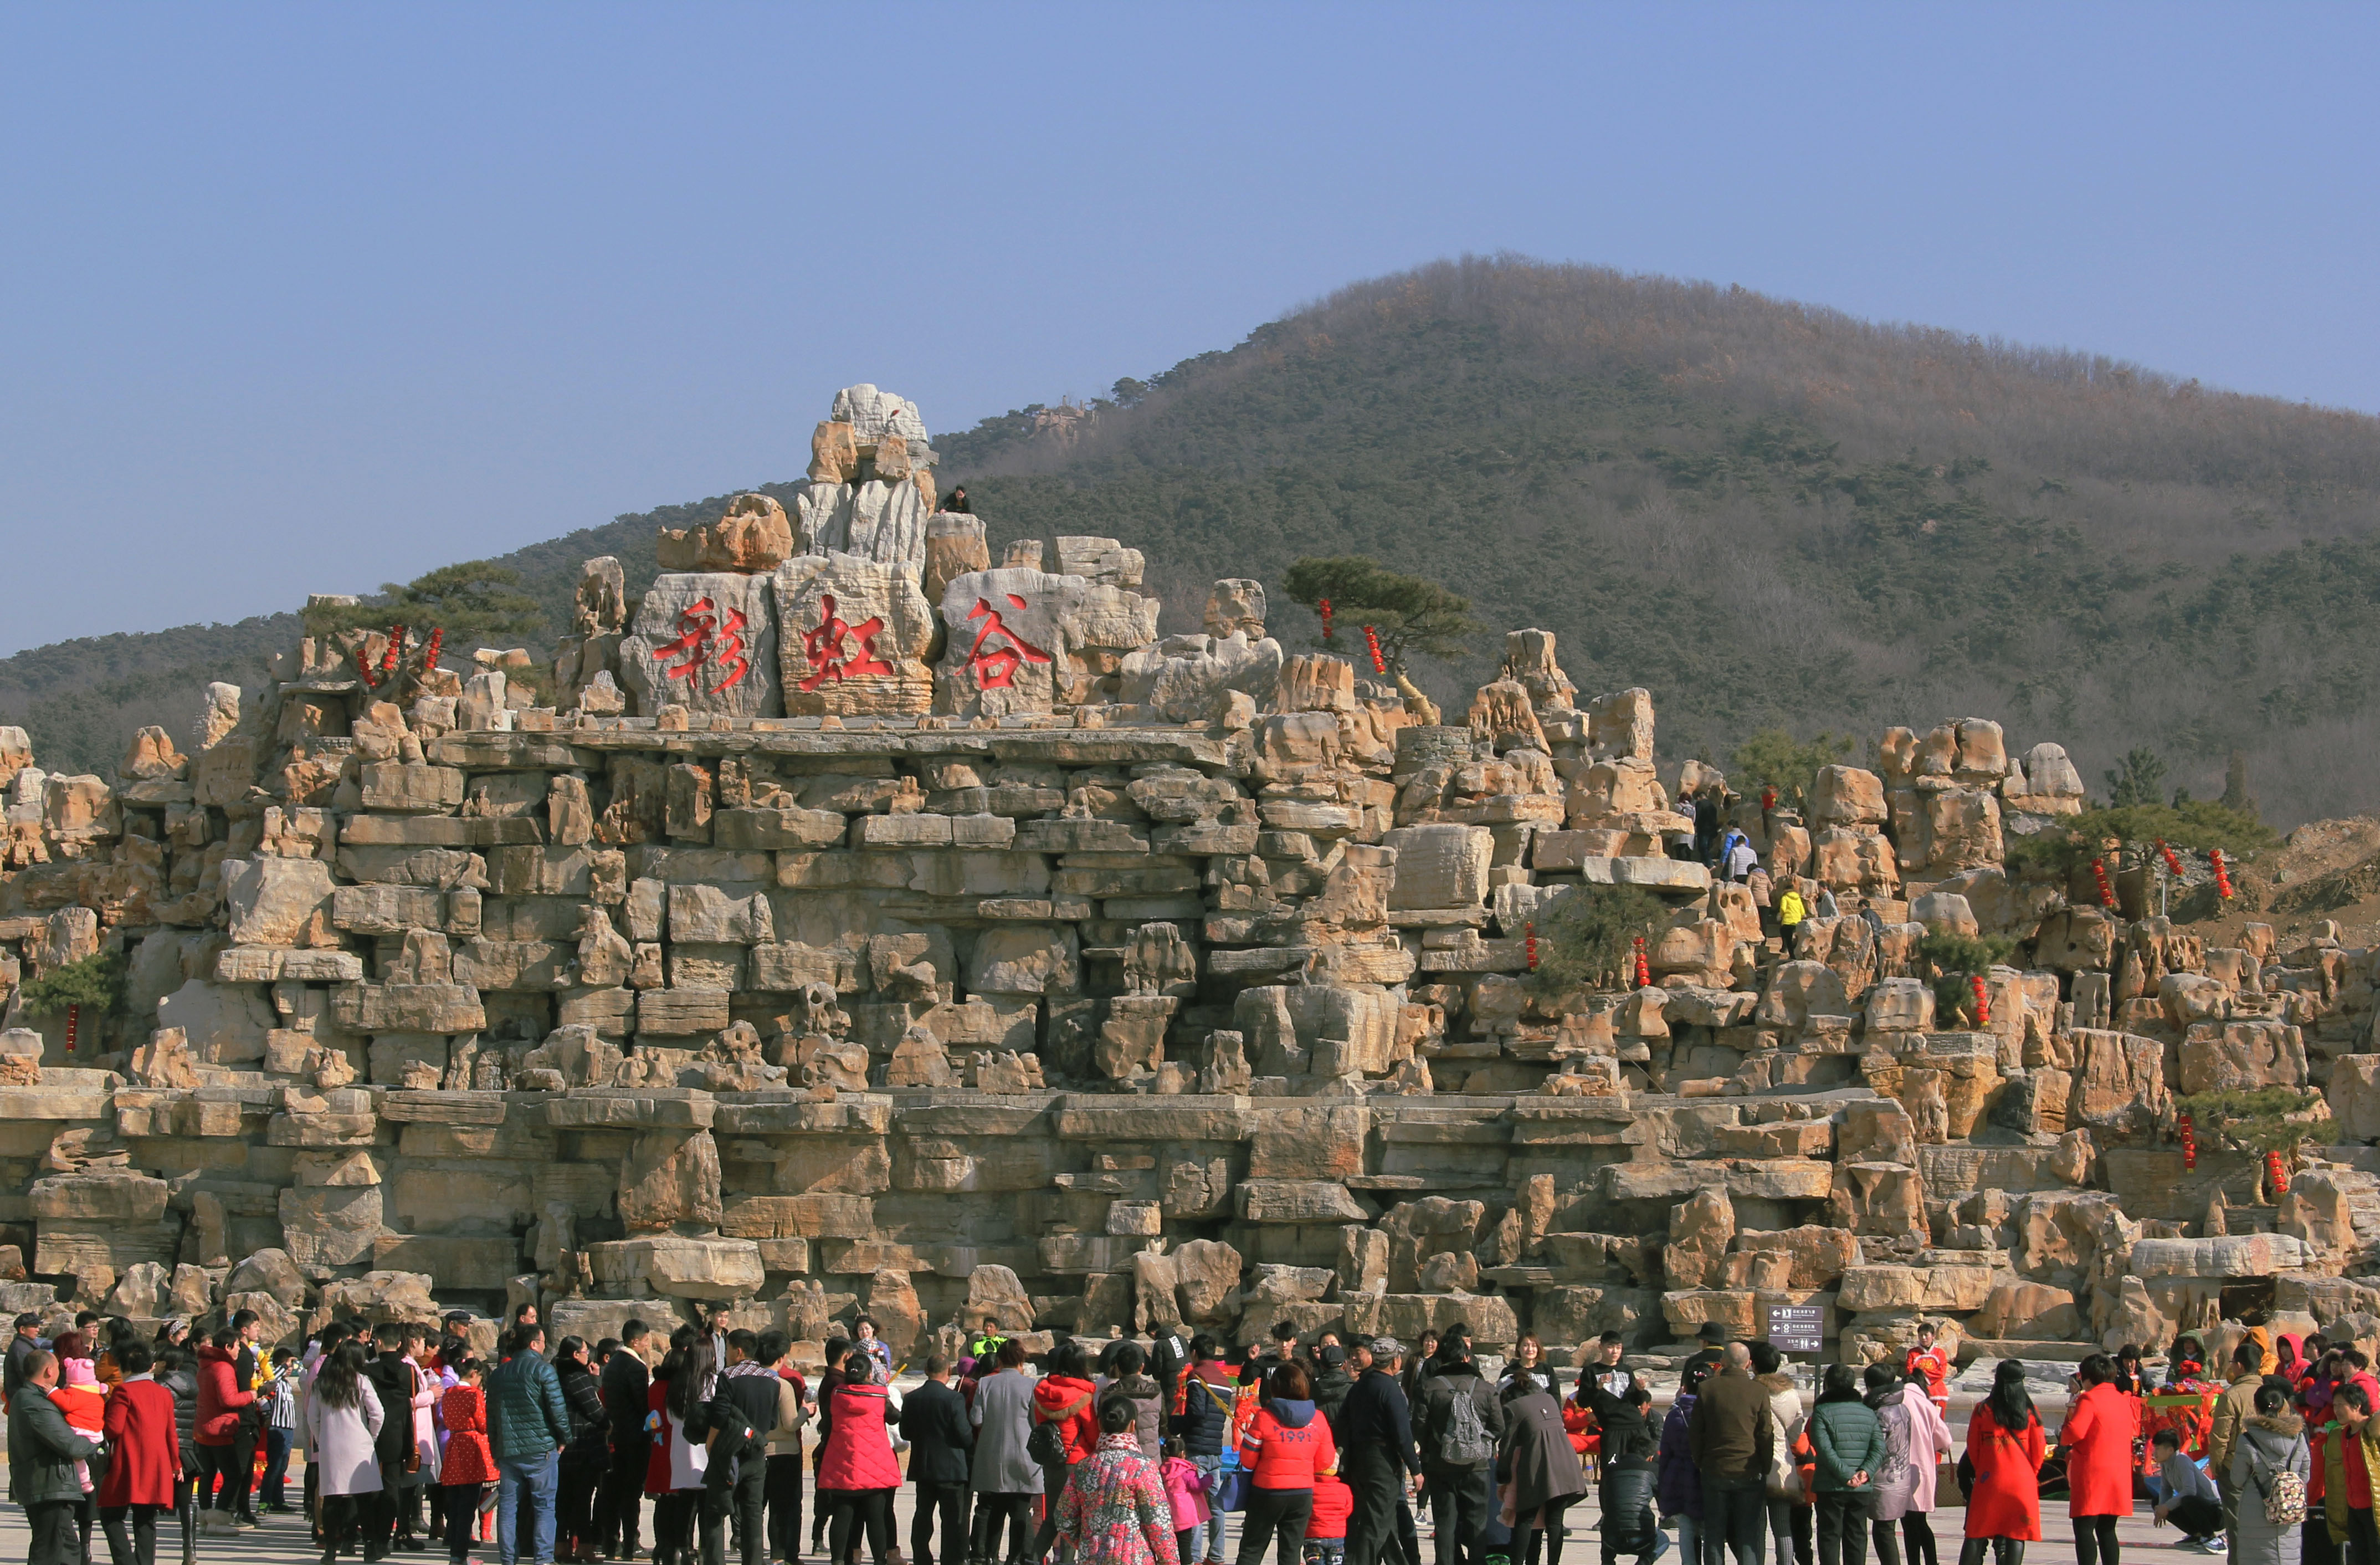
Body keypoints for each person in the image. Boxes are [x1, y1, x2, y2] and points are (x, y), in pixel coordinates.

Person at [1053, 1395, 1180, 1565]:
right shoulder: (1143, 1467)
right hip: (1134, 1558)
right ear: (1133, 1425)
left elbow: (1064, 1518)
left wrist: (1087, 1542)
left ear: (1099, 1425)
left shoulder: (1083, 1467)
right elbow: (1159, 1522)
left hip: (1092, 1557)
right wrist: (1170, 1561)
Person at [488, 1323, 574, 1565]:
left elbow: (491, 1415)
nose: (545, 1346)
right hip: (541, 1449)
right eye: (543, 1341)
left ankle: (507, 1559)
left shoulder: (498, 1375)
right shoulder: (544, 1371)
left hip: (509, 1450)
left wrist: (496, 1448)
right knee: (544, 1507)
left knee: (507, 1508)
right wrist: (564, 1438)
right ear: (534, 1344)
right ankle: (543, 1560)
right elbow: (557, 1410)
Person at [1238, 1362, 1337, 1565]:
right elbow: (1326, 1461)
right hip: (1302, 1494)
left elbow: (1247, 1459)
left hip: (1267, 1493)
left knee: (1252, 1549)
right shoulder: (1318, 1419)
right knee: (1291, 1552)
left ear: (1275, 1388)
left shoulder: (1264, 1417)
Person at [1413, 1339, 1501, 1565]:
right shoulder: (1486, 1388)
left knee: (1444, 1525)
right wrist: (1480, 1444)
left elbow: (1419, 1425)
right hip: (1478, 1466)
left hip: (1441, 1465)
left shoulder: (1430, 1387)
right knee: (1477, 1525)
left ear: (1441, 1360)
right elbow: (1499, 1426)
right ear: (1467, 1358)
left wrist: (1434, 1448)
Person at [11, 1349, 100, 1565]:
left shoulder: (29, 1398)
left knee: (65, 1549)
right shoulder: (35, 1403)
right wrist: (95, 1443)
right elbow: (70, 1445)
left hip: (47, 1484)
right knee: (52, 1549)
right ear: (49, 1371)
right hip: (49, 1486)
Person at [1689, 1344, 1773, 1565]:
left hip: (1715, 1469)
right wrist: (1765, 1466)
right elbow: (1765, 1434)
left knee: (1714, 1535)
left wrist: (1700, 1461)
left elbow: (1696, 1432)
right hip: (1749, 1470)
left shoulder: (1707, 1389)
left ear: (1723, 1362)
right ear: (1748, 1363)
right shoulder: (1759, 1391)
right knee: (1748, 1536)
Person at [1337, 1339, 1418, 1565]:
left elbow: (1342, 1423)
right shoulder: (1391, 1389)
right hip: (1383, 1463)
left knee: (1382, 1521)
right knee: (1376, 1525)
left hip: (1358, 1462)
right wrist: (1417, 1469)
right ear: (1395, 1361)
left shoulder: (1359, 1386)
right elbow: (1403, 1435)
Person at [817, 1347, 900, 1565]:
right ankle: (880, 1560)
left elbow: (825, 1424)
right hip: (875, 1464)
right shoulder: (880, 1398)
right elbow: (895, 1418)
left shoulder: (837, 1396)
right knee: (876, 1518)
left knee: (842, 1516)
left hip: (842, 1461)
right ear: (869, 1374)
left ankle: (838, 1560)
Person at [310, 1342, 389, 1565]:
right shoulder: (361, 1381)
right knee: (365, 1499)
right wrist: (370, 1437)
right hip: (359, 1446)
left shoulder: (321, 1384)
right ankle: (370, 1548)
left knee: (333, 1498)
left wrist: (322, 1438)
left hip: (331, 1446)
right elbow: (378, 1413)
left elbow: (312, 1418)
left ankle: (330, 1550)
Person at [1863, 1364, 1950, 1565]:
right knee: (1918, 1523)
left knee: (1894, 1526)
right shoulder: (1924, 1404)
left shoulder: (1889, 1404)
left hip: (1891, 1471)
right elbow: (1945, 1441)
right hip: (1919, 1469)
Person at [1496, 1372, 1586, 1565]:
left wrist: (1502, 1472)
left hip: (1538, 1466)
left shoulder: (1513, 1407)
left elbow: (1507, 1444)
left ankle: (1517, 1563)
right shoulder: (1549, 1399)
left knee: (1526, 1518)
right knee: (1555, 1521)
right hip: (1566, 1462)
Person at [1959, 1363, 2043, 1565]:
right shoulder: (2030, 1411)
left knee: (1976, 1531)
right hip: (2022, 1482)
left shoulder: (1983, 1410)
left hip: (1990, 1479)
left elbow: (1973, 1449)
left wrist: (1985, 1469)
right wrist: (2029, 1473)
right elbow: (2039, 1451)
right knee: (2016, 1533)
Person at [970, 1337, 1043, 1565]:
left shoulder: (984, 1384)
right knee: (1021, 1512)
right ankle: (1016, 1557)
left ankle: (990, 1555)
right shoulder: (1031, 1386)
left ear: (999, 1359)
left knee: (995, 1511)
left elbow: (976, 1418)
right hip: (1022, 1456)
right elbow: (1036, 1422)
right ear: (1021, 1360)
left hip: (992, 1456)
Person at [2059, 1354, 2137, 1565]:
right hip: (2117, 1472)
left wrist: (2064, 1431)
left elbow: (2075, 1431)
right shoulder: (2122, 1400)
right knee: (2107, 1529)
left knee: (2084, 1528)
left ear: (2089, 1378)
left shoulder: (2089, 1399)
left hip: (2093, 1472)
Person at [1032, 1340, 1102, 1565]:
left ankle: (1033, 1558)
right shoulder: (1083, 1396)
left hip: (1052, 1461)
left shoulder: (1044, 1393)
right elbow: (1093, 1434)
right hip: (1077, 1461)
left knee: (1052, 1516)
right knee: (1073, 1518)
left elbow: (1041, 1425)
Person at [900, 1353, 974, 1565]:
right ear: (949, 1372)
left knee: (923, 1515)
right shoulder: (954, 1399)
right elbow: (965, 1436)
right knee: (952, 1520)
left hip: (923, 1467)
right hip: (951, 1469)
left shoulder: (912, 1398)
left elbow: (905, 1433)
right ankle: (950, 1559)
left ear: (926, 1370)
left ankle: (922, 1557)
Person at [1810, 1365, 1883, 1565]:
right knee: (1857, 1537)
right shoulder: (1868, 1413)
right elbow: (1879, 1449)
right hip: (1861, 1487)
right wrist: (1865, 1473)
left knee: (1830, 1536)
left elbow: (1823, 1450)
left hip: (1831, 1486)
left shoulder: (1822, 1412)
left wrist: (1845, 1475)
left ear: (1828, 1385)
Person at [1177, 1336, 1239, 1565]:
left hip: (1196, 1450)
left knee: (1195, 1505)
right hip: (1216, 1450)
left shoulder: (1196, 1376)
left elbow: (1196, 1413)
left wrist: (1176, 1424)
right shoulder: (1224, 1380)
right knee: (1216, 1506)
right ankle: (1216, 1556)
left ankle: (1193, 1557)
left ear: (1194, 1353)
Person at [2229, 1385, 2305, 1565]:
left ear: (2256, 1407)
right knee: (2287, 1557)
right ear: (2282, 1407)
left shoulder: (2248, 1439)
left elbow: (2237, 1480)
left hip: (2256, 1508)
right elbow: (2305, 1475)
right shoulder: (2298, 1438)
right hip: (2290, 1508)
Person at [193, 1324, 259, 1526]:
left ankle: (204, 1514)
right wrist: (251, 1395)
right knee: (233, 1475)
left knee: (208, 1474)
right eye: (238, 1346)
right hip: (220, 1429)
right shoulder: (223, 1367)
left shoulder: (206, 1365)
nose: (240, 1350)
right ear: (229, 1347)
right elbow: (228, 1400)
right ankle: (220, 1516)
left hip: (204, 1428)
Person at [1751, 1343, 1812, 1565]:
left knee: (1756, 1528)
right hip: (1783, 1461)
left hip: (1755, 1461)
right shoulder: (1792, 1393)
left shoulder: (1752, 1390)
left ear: (1753, 1365)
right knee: (1783, 1528)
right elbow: (1797, 1431)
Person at [598, 1318, 653, 1561]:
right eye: (646, 1341)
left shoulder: (611, 1365)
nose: (647, 1346)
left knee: (612, 1492)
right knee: (631, 1494)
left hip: (616, 1436)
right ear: (635, 1341)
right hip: (635, 1439)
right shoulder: (636, 1367)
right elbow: (643, 1405)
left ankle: (612, 1543)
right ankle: (632, 1543)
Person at [553, 1337, 609, 1564]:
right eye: (586, 1351)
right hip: (581, 1445)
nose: (589, 1356)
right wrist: (608, 1424)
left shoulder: (556, 1374)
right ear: (576, 1355)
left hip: (563, 1445)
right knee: (582, 1500)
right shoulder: (577, 1376)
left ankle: (560, 1545)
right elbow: (594, 1409)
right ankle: (584, 1547)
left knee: (563, 1500)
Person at [1599, 1383, 1667, 1565]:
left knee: (1608, 1526)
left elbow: (1606, 1501)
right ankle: (1643, 1563)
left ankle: (1607, 1563)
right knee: (1664, 1540)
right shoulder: (1652, 1470)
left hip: (1611, 1540)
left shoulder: (1611, 1470)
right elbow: (1665, 1498)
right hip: (1642, 1539)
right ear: (1649, 1456)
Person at [2214, 1342, 2271, 1558]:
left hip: (2235, 1469)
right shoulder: (2271, 1394)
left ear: (2239, 1365)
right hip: (2267, 1470)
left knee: (2237, 1526)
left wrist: (2218, 1466)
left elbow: (2221, 1437)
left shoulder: (2232, 1395)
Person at [440, 1357, 497, 1565]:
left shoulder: (448, 1394)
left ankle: (455, 1550)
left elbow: (446, 1420)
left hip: (454, 1444)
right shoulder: (475, 1395)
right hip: (472, 1446)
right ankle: (460, 1553)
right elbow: (483, 1424)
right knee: (469, 1503)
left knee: (455, 1502)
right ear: (474, 1373)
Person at [1659, 1362, 1712, 1565]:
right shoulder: (1714, 1412)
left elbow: (1666, 1453)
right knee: (1709, 1529)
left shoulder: (1675, 1414)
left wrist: (1663, 1487)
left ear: (1684, 1388)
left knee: (1687, 1526)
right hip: (1707, 1475)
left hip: (1681, 1476)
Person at [2146, 1428, 2225, 1551]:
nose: (2154, 1453)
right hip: (2198, 1508)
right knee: (2157, 1501)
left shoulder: (2182, 1461)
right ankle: (2196, 1534)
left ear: (2171, 1450)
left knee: (2188, 1499)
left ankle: (2211, 1537)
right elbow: (2166, 1489)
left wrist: (2167, 1507)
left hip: (2216, 1513)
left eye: (2158, 1449)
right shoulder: (2166, 1464)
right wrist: (2161, 1507)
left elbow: (2190, 1491)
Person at [258, 1349, 300, 1514]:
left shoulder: (287, 1384)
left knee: (282, 1467)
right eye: (289, 1363)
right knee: (274, 1467)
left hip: (288, 1430)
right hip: (277, 1429)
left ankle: (278, 1500)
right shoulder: (274, 1381)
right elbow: (271, 1377)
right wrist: (283, 1365)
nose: (291, 1368)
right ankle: (264, 1502)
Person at [1108, 1343, 1167, 1461]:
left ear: (1118, 1368)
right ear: (1142, 1367)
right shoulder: (1156, 1392)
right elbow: (1163, 1425)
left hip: (1119, 1459)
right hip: (1151, 1459)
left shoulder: (1109, 1395)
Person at [1162, 1436, 1209, 1565]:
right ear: (1183, 1453)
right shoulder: (1185, 1471)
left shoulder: (1161, 1469)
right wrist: (1208, 1479)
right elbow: (1197, 1486)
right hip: (1184, 1517)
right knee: (1185, 1545)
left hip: (1167, 1515)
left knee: (1172, 1546)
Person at [1307, 1465, 1352, 1565]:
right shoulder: (1345, 1489)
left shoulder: (1310, 1488)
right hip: (1337, 1536)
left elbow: (1305, 1510)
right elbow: (1348, 1511)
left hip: (1314, 1535)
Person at [1901, 1329, 1948, 1418]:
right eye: (1921, 1335)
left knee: (1937, 1423)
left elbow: (1941, 1373)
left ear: (1933, 1336)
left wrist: (1921, 1374)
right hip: (1918, 1391)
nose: (1923, 1338)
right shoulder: (1913, 1353)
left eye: (1926, 1335)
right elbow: (1910, 1371)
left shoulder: (1940, 1353)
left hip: (1937, 1393)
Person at [1314, 1347, 1357, 1428]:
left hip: (1321, 1437)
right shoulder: (1355, 1389)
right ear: (1345, 1364)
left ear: (1322, 1366)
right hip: (1347, 1438)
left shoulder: (1312, 1389)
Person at [852, 1319, 892, 1387]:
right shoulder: (854, 1347)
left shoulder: (882, 1346)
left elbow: (887, 1367)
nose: (864, 1332)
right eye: (861, 1330)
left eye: (867, 1328)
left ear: (873, 1329)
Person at [1776, 883, 1807, 949]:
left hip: (1787, 921)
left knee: (1784, 933)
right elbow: (1803, 912)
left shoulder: (1785, 897)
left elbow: (1783, 909)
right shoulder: (1798, 899)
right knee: (1793, 937)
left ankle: (1785, 948)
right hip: (1797, 922)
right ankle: (1792, 951)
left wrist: (1780, 916)